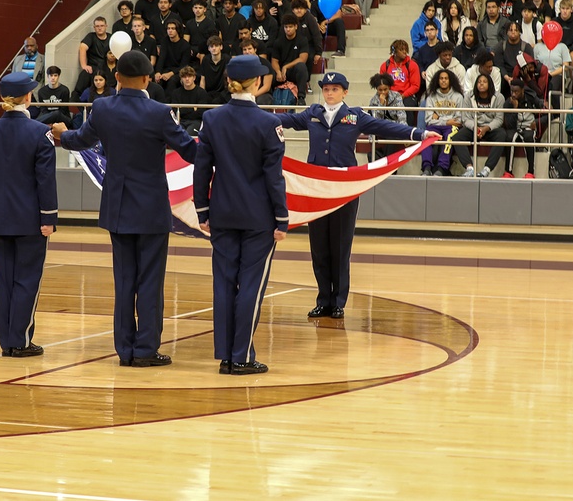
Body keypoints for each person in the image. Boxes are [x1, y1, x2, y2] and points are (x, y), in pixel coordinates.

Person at [51, 51, 197, 368]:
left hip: (118, 208)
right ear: (147, 79)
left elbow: (80, 141)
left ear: (117, 78)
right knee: (150, 282)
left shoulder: (103, 108)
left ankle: (125, 350)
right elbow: (189, 150)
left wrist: (63, 134)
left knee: (124, 281)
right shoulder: (160, 112)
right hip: (152, 210)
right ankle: (145, 349)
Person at [276, 72, 438, 318]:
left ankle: (339, 301)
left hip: (345, 188)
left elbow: (387, 127)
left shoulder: (355, 116)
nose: (329, 93)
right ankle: (323, 299)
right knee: (319, 246)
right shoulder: (312, 114)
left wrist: (420, 134)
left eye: (334, 89)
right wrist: (253, 117)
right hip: (317, 188)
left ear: (345, 92)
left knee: (340, 246)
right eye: (326, 89)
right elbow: (287, 121)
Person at [193, 54, 288, 375]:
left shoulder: (212, 119)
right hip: (258, 217)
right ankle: (242, 356)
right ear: (257, 82)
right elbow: (273, 176)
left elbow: (201, 168)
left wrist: (202, 209)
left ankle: (226, 355)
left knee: (224, 283)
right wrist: (282, 217)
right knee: (251, 285)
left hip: (221, 212)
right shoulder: (268, 123)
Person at [0, 72, 57, 358]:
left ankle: (7, 340)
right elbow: (45, 180)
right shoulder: (39, 132)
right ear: (28, 97)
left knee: (3, 280)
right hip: (30, 220)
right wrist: (49, 218)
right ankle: (20, 340)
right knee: (27, 279)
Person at [453, 73, 506, 178]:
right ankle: (469, 168)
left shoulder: (499, 97)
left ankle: (487, 169)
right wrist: (475, 127)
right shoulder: (468, 96)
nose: (481, 84)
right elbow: (465, 118)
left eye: (484, 82)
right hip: (474, 127)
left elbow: (499, 119)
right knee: (457, 137)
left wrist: (486, 128)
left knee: (502, 135)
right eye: (479, 82)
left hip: (490, 128)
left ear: (490, 84)